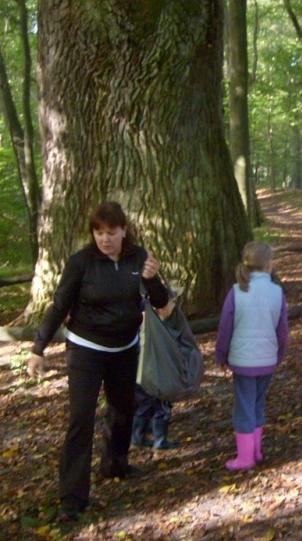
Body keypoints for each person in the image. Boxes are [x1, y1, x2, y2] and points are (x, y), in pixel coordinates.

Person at [27, 201, 169, 522]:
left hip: (124, 347)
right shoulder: (82, 262)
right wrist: (39, 348)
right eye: (98, 232)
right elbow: (59, 306)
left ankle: (115, 465)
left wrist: (152, 279)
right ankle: (72, 497)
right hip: (85, 348)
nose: (104, 239)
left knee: (122, 409)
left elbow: (160, 302)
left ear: (124, 231)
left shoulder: (140, 258)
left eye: (111, 232)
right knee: (81, 418)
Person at [215, 241, 288, 471]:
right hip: (267, 359)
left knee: (244, 407)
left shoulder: (237, 291)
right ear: (269, 264)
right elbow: (282, 330)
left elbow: (225, 327)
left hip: (243, 361)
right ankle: (255, 451)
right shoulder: (277, 292)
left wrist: (221, 355)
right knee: (258, 405)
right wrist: (278, 355)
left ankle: (245, 457)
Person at [131, 292, 195, 450]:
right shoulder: (159, 328)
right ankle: (159, 439)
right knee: (162, 404)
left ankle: (137, 436)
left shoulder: (140, 329)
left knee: (144, 403)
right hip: (157, 372)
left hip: (141, 373)